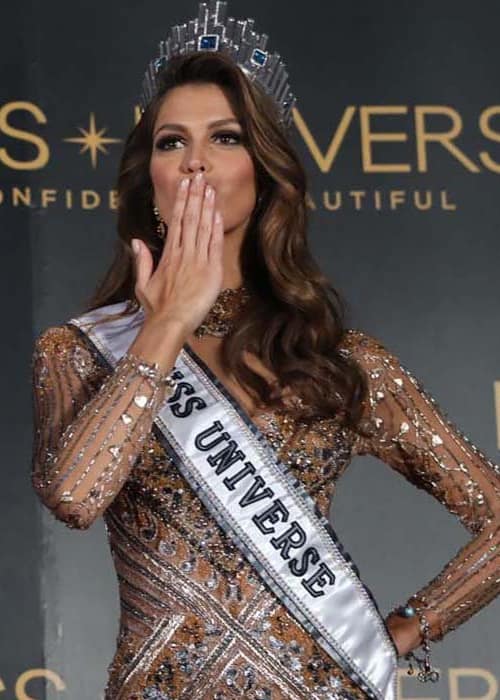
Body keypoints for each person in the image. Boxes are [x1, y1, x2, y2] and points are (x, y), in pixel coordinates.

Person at [30, 2, 500, 699]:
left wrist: (405, 627)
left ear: (264, 167)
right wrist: (164, 327)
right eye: (169, 142)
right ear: (148, 177)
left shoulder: (340, 360)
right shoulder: (80, 351)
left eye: (224, 137)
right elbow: (74, 496)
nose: (194, 161)